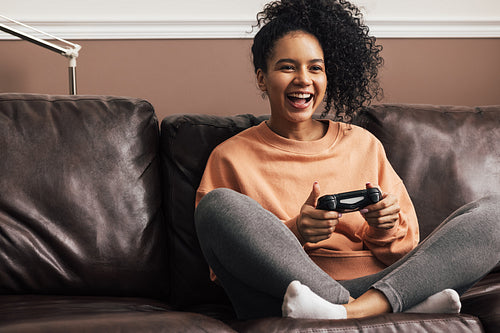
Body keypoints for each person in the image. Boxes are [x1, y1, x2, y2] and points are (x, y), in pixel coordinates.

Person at [194, 0, 500, 320]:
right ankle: (385, 307)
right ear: (262, 78)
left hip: (375, 284)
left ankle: (347, 312)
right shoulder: (230, 156)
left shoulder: (362, 143)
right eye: (287, 67)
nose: (303, 79)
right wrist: (297, 231)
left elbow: (409, 252)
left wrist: (383, 229)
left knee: (495, 214)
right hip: (288, 293)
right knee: (217, 206)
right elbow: (226, 260)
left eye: (315, 67)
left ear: (327, 77)